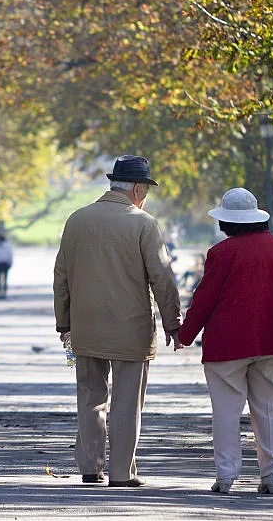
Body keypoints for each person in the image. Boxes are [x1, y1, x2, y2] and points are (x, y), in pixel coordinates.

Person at [54, 155, 182, 487]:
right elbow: (162, 278)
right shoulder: (143, 223)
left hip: (86, 325)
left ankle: (90, 466)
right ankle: (123, 473)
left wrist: (64, 323)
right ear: (138, 188)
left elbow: (62, 276)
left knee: (90, 395)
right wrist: (173, 322)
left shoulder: (77, 220)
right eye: (146, 190)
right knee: (126, 401)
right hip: (131, 328)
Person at [175, 188, 273, 495]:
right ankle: (271, 475)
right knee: (270, 408)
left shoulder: (220, 253)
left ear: (227, 222)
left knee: (226, 411)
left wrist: (184, 335)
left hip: (227, 346)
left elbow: (204, 300)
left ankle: (226, 476)